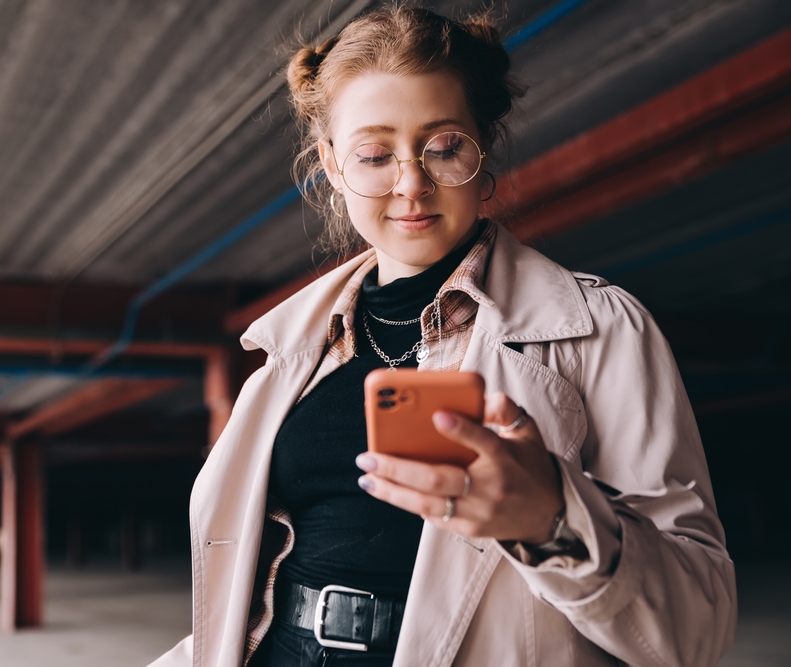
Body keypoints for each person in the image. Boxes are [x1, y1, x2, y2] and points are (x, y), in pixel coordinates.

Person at [150, 6, 736, 667]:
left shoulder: (598, 329)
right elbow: (238, 608)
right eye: (374, 154)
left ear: (483, 153)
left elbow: (696, 631)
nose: (411, 184)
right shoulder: (286, 354)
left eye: (444, 146)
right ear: (332, 168)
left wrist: (552, 517)